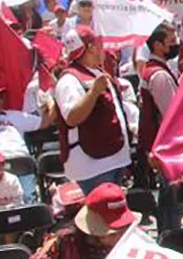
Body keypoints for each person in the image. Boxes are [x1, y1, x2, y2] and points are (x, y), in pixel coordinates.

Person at [54, 26, 133, 193]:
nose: (102, 47)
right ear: (90, 47)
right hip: (93, 166)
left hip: (114, 158)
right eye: (99, 43)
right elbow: (72, 118)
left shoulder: (97, 72)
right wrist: (93, 92)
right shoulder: (69, 80)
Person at [138, 23, 180, 230]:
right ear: (157, 45)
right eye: (171, 41)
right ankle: (171, 235)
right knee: (170, 198)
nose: (175, 45)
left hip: (160, 144)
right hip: (166, 145)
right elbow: (172, 114)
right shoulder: (159, 75)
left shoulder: (153, 71)